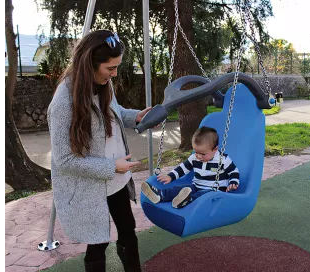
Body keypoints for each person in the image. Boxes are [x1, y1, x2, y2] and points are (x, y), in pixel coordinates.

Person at [47, 30, 150, 272]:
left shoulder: (103, 83)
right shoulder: (63, 103)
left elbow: (114, 112)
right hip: (90, 184)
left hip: (115, 178)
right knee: (98, 242)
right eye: (110, 68)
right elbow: (64, 160)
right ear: (89, 64)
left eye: (117, 67)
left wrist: (135, 116)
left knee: (128, 229)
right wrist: (111, 166)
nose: (114, 74)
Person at [141, 126, 240, 209]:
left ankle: (187, 200)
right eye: (196, 152)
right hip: (196, 186)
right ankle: (160, 195)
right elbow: (182, 168)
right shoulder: (194, 158)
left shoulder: (223, 159)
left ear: (215, 149)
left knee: (202, 195)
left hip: (214, 191)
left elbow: (234, 172)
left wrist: (233, 182)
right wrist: (170, 176)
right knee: (180, 189)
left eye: (203, 154)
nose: (198, 156)